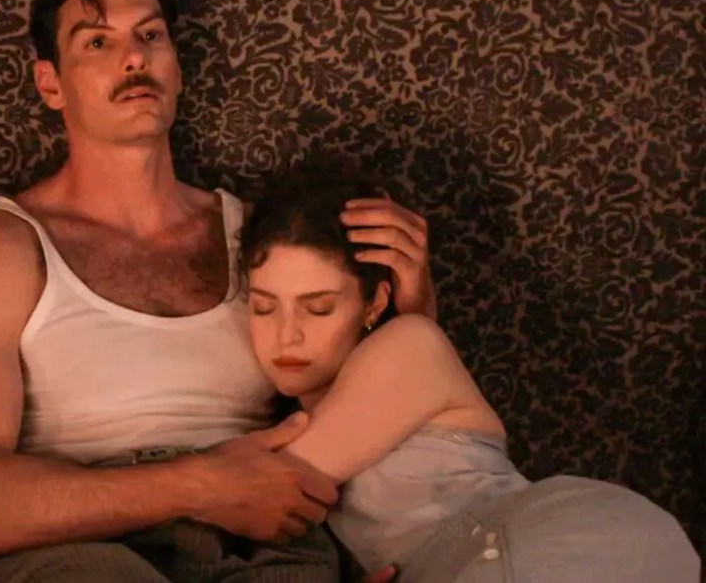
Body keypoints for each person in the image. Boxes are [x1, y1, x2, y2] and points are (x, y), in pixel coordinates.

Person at [0, 0, 431, 580]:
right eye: (98, 42)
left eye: (150, 35)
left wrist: (412, 310)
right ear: (50, 84)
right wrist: (200, 484)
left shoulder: (257, 235)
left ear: (177, 65)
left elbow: (358, 408)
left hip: (254, 541)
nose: (133, 58)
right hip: (77, 548)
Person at [240, 164, 700, 582]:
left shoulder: (412, 345)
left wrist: (202, 486)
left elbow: (255, 491)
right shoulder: (274, 439)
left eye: (319, 308)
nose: (287, 335)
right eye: (263, 307)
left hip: (561, 547)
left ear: (375, 303)